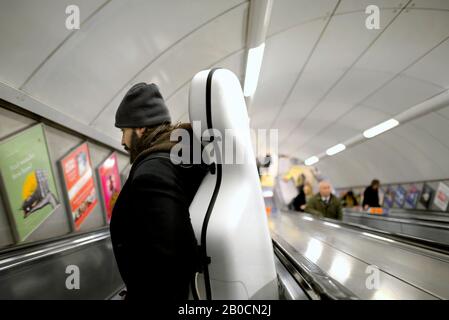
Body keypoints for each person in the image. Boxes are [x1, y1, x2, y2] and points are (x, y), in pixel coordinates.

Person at [109, 83, 207, 301]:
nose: (123, 141)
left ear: (141, 128)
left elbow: (167, 265)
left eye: (124, 130)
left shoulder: (153, 172)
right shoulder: (180, 155)